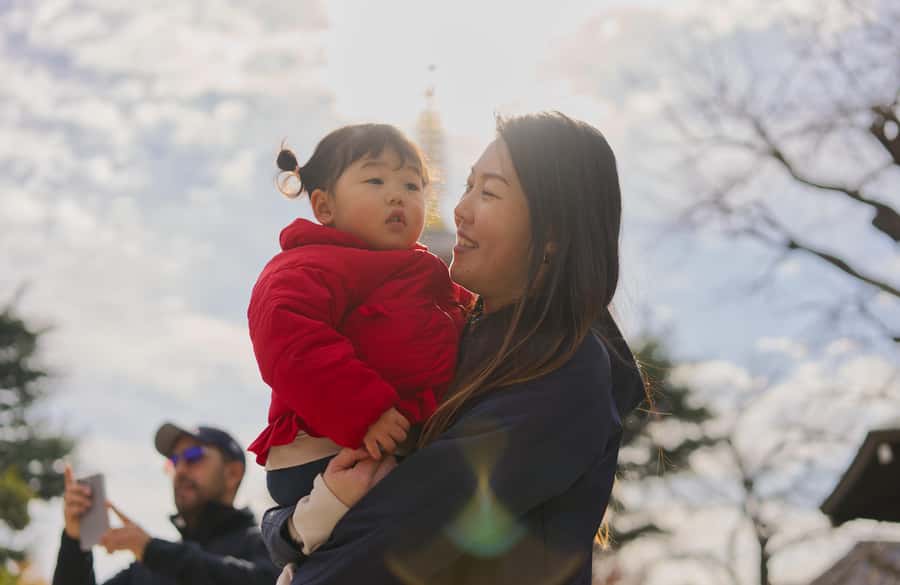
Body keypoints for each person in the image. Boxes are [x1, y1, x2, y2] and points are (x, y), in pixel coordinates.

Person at [263, 111, 648, 585]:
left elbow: (408, 523)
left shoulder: (564, 368)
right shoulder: (455, 340)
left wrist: (294, 537)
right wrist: (290, 526)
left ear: (552, 236)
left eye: (488, 192)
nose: (460, 209)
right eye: (467, 185)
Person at [246, 124, 472, 522]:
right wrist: (364, 411)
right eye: (375, 179)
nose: (396, 193)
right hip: (324, 446)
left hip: (389, 443)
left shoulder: (425, 275)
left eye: (412, 185)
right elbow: (291, 339)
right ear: (324, 207)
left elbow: (465, 318)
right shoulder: (311, 264)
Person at [53, 422, 278, 585]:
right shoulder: (147, 567)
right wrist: (74, 542)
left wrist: (152, 550)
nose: (180, 470)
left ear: (232, 473)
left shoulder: (269, 546)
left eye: (193, 456)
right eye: (174, 461)